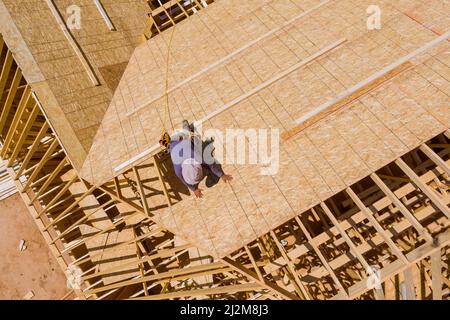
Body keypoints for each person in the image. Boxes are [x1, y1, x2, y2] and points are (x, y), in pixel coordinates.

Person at [169, 121, 232, 198]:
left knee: (197, 144)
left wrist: (221, 174)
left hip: (178, 137)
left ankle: (187, 126)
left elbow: (212, 165)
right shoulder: (179, 171)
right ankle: (186, 126)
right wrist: (194, 189)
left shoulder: (195, 158)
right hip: (173, 141)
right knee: (196, 147)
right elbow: (186, 181)